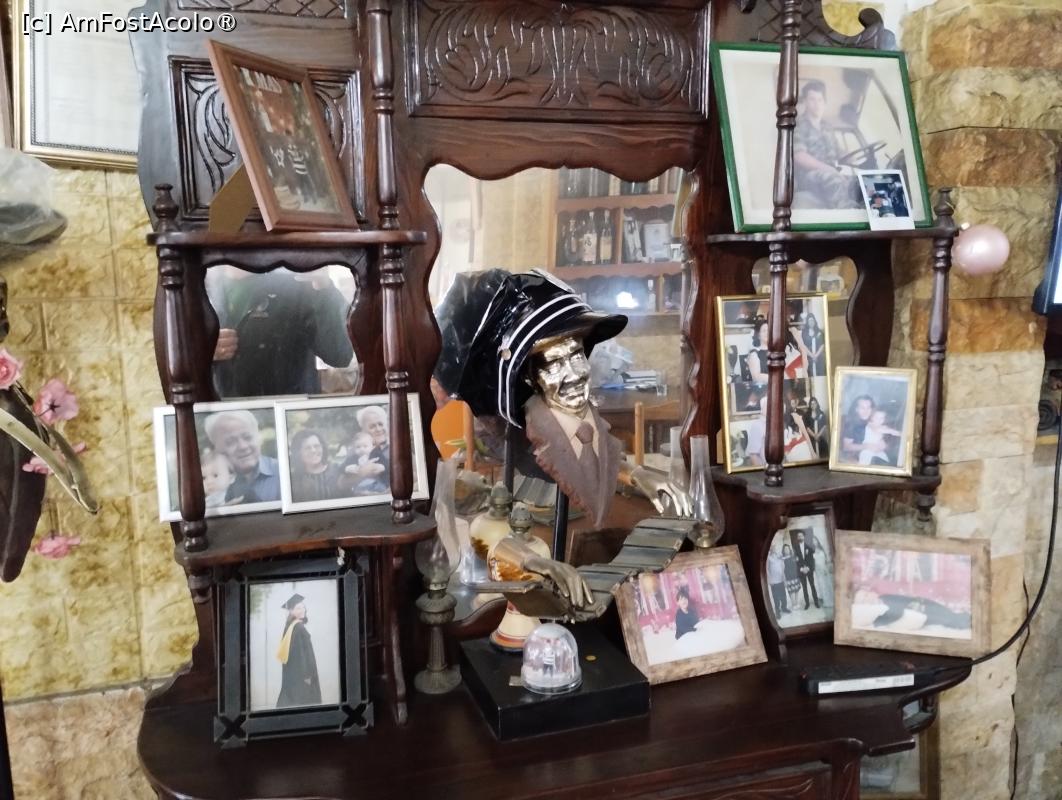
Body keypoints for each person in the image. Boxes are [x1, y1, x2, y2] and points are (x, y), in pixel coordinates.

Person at [207, 266, 354, 398]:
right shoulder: (201, 284)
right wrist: (201, 353)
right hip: (222, 412)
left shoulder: (298, 282)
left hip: (290, 413)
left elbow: (340, 354)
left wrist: (323, 287)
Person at [793, 80, 862, 210]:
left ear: (824, 102)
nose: (817, 104)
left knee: (858, 182)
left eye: (820, 100)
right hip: (807, 177)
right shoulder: (798, 125)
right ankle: (849, 213)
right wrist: (829, 169)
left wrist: (854, 157)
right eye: (812, 99)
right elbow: (799, 156)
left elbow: (838, 151)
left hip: (829, 173)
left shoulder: (827, 127)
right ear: (805, 102)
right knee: (833, 179)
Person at [204, 410, 279, 503]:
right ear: (216, 448)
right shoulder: (209, 486)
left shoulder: (282, 471)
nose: (243, 446)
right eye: (231, 442)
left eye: (248, 437)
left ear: (258, 438)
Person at [275, 593, 322, 708]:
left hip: (292, 675)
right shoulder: (299, 628)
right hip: (303, 676)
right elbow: (302, 654)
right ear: (291, 611)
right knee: (307, 704)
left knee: (290, 702)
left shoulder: (289, 627)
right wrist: (307, 676)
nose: (303, 610)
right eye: (298, 608)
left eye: (303, 607)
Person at [340, 405, 390, 493]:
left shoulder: (398, 447)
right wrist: (361, 473)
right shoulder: (356, 450)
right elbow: (341, 484)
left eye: (380, 424)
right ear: (363, 430)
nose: (378, 429)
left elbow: (414, 475)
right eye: (372, 426)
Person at [287, 429, 343, 504]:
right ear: (298, 453)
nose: (313, 450)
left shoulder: (338, 471)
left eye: (317, 446)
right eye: (307, 448)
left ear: (323, 448)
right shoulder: (293, 480)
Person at [840, 395, 882, 463]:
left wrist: (883, 443)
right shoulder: (851, 423)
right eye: (862, 408)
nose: (866, 411)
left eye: (868, 407)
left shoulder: (873, 419)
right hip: (855, 456)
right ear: (856, 409)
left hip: (873, 453)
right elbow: (846, 447)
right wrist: (867, 446)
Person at [793, 530, 821, 610]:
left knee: (812, 586)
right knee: (804, 587)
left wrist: (808, 568)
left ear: (804, 537)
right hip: (801, 571)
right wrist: (801, 568)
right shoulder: (795, 548)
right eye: (798, 536)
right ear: (797, 538)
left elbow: (811, 559)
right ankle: (807, 603)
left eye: (801, 536)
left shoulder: (809, 547)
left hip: (809, 570)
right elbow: (795, 560)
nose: (800, 537)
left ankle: (816, 602)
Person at [766, 543, 789, 616]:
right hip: (774, 581)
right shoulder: (768, 557)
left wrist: (784, 578)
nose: (773, 548)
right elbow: (767, 569)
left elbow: (783, 565)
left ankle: (784, 608)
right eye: (771, 547)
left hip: (781, 579)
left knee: (783, 595)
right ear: (769, 549)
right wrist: (769, 580)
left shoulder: (779, 555)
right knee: (776, 597)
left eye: (774, 546)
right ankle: (777, 611)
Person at [782, 544, 801, 611]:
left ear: (789, 549)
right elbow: (782, 570)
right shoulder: (782, 559)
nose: (786, 550)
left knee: (796, 590)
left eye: (787, 548)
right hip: (788, 578)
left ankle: (797, 603)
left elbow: (797, 563)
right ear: (783, 551)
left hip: (795, 576)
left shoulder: (793, 557)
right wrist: (784, 579)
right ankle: (794, 604)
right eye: (785, 549)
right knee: (791, 591)